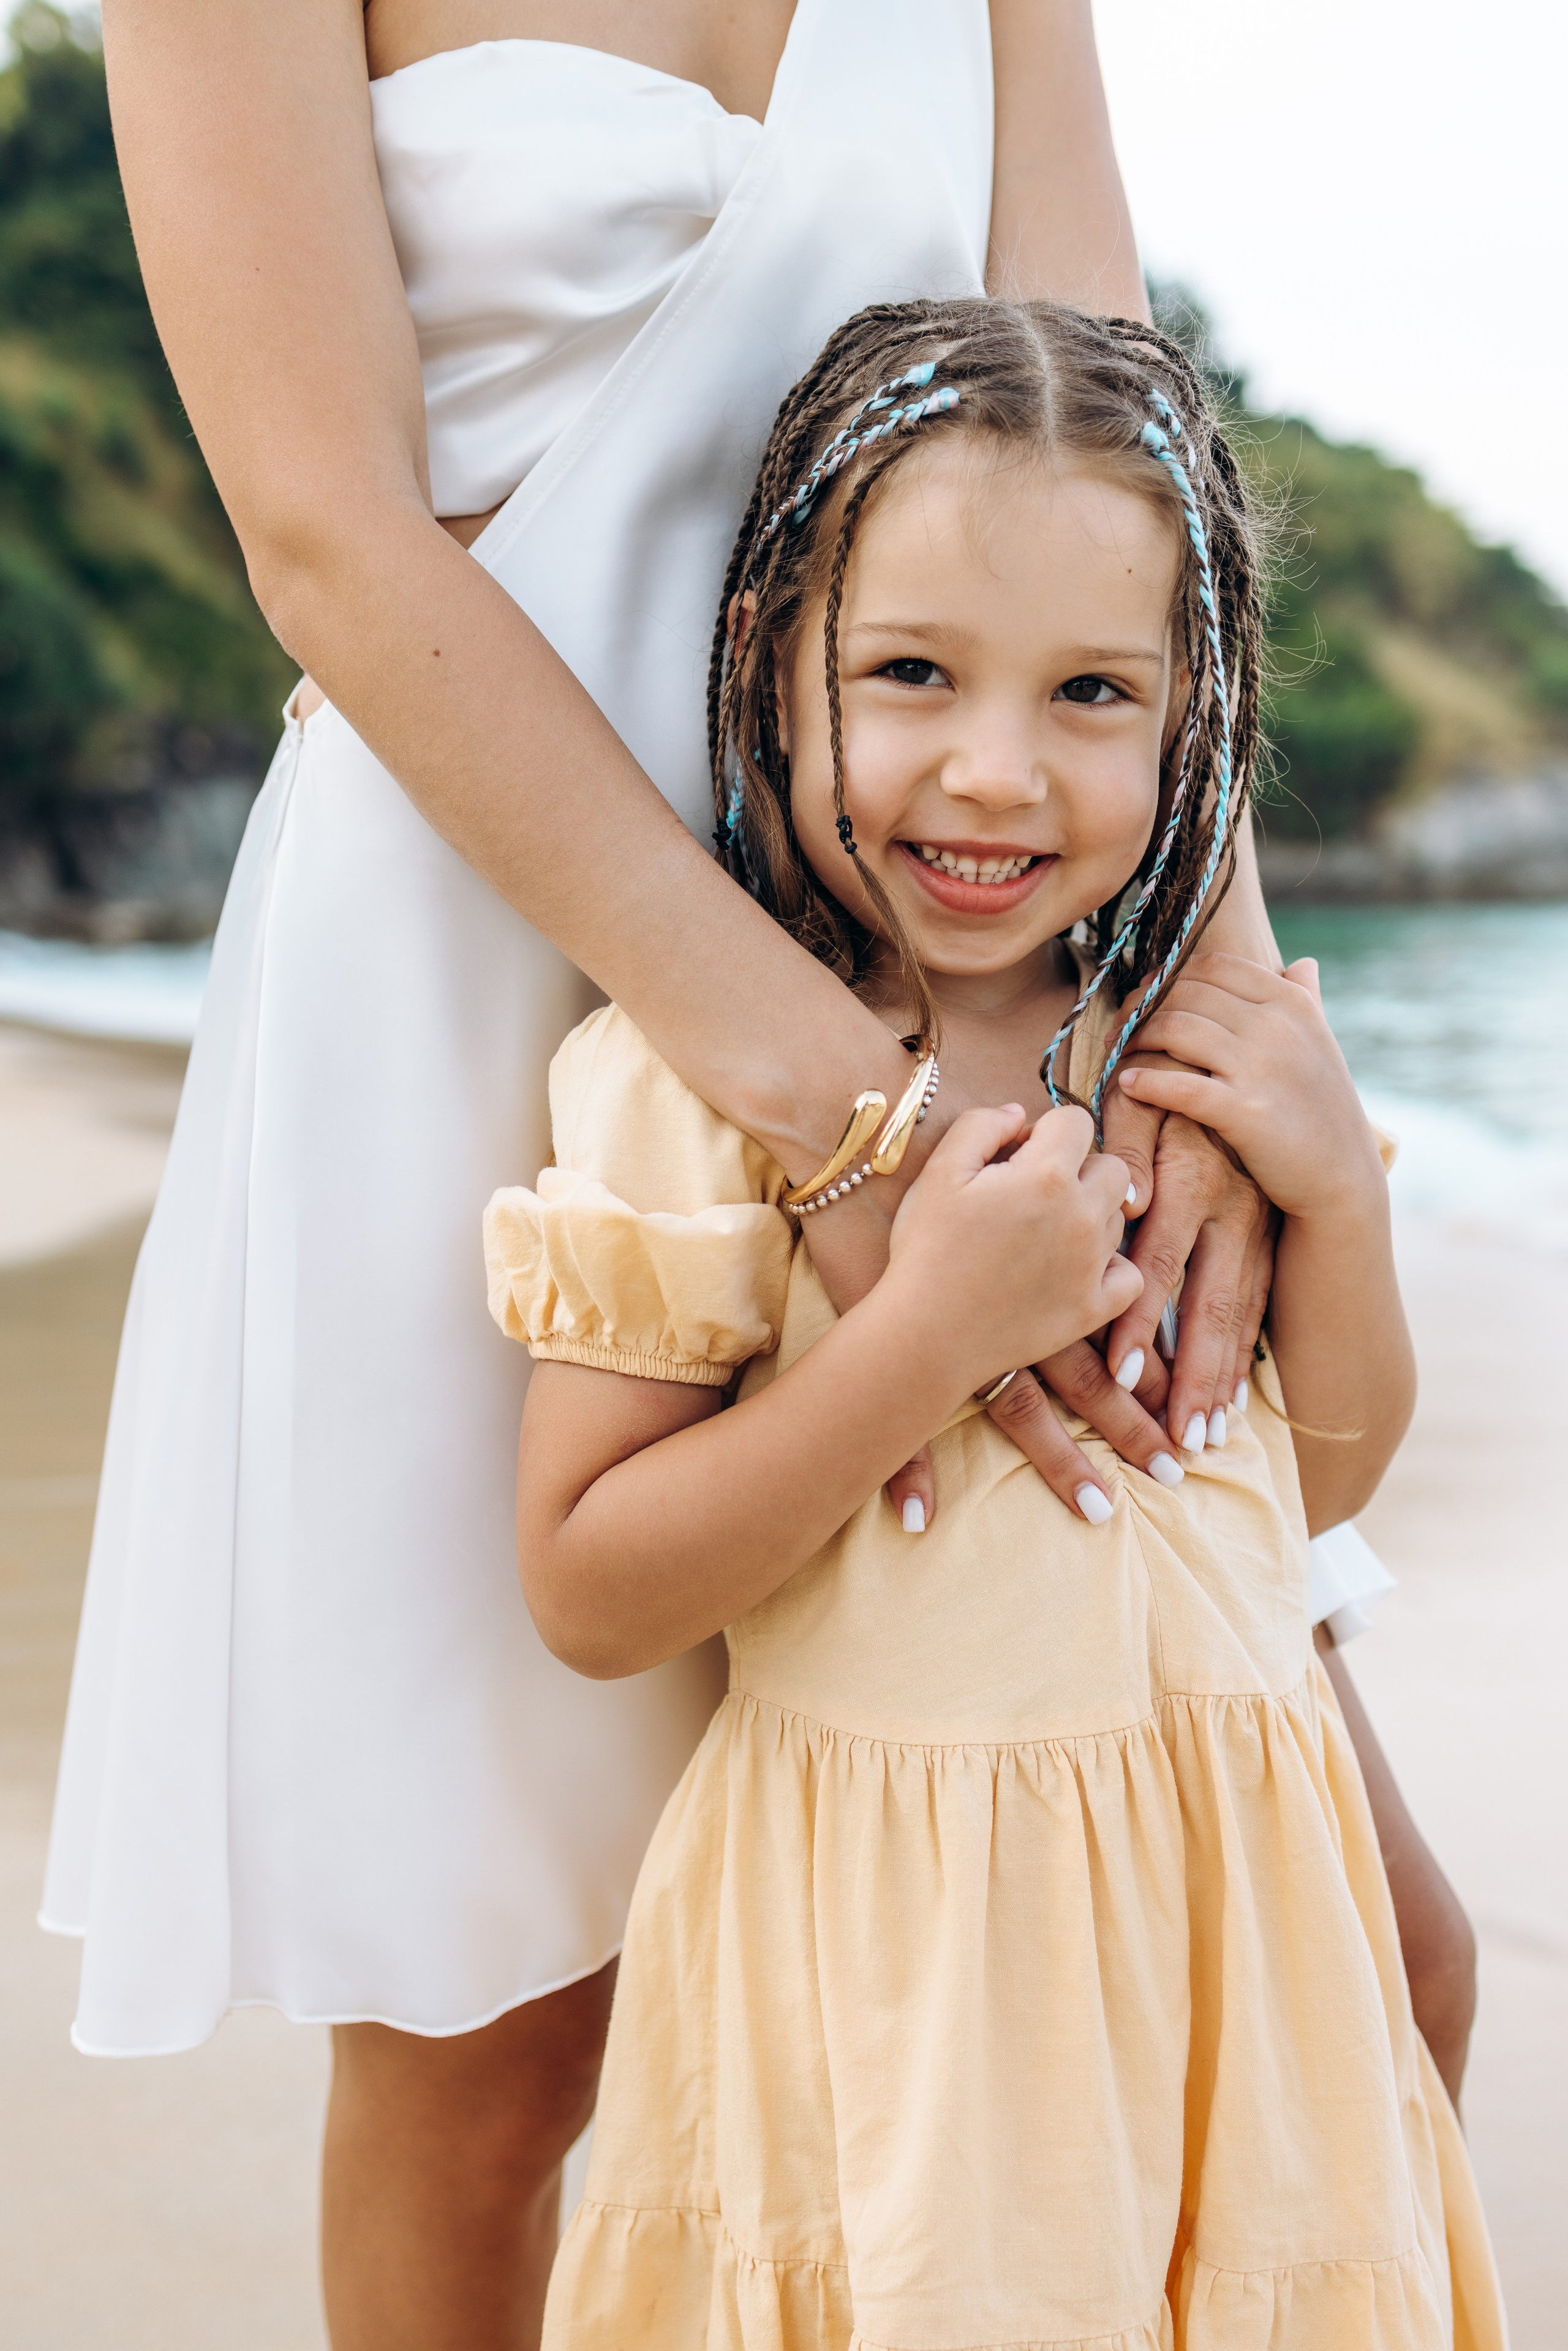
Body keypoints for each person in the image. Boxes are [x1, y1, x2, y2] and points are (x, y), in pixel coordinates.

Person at [39, 4, 1458, 2346]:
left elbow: (1124, 472)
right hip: (486, 958)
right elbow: (321, 520)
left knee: (1370, 1953)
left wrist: (1229, 1043)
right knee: (501, 2052)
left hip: (982, 934)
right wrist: (825, 1101)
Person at [486, 298, 1506, 2348]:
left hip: (1236, 1886)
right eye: (912, 673)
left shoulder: (1202, 1059)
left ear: (1191, 713)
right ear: (780, 657)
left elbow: (1317, 1470)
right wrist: (919, 1342)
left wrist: (1339, 1204)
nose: (994, 770)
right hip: (912, 1956)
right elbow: (593, 1587)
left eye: (1093, 692)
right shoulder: (711, 1085)